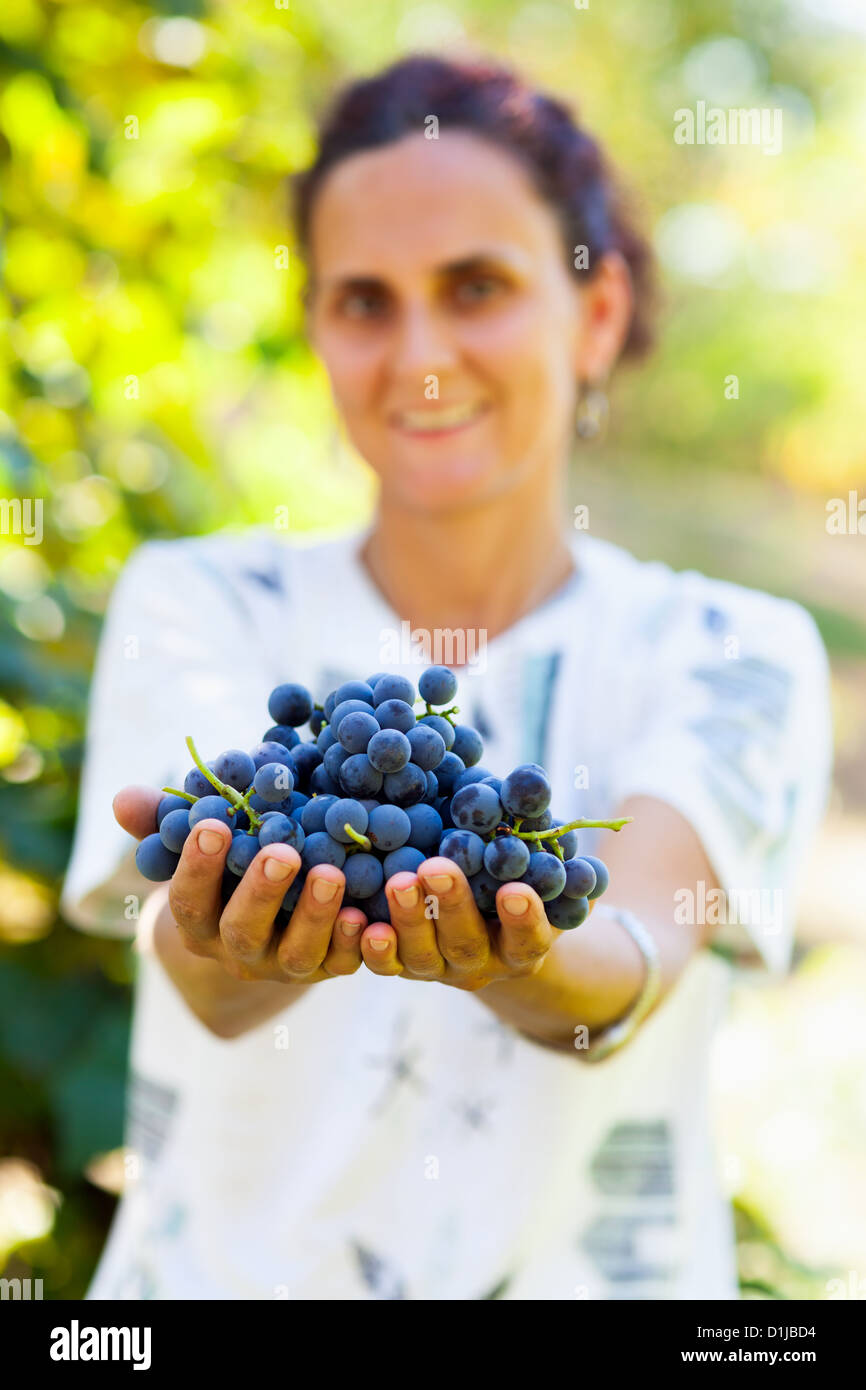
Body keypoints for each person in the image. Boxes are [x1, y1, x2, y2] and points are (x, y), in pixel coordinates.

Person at [61, 54, 832, 1301]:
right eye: (364, 301)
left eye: (475, 287)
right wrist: (233, 940)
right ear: (315, 329)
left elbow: (622, 973)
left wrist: (516, 955)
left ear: (592, 314)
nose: (419, 356)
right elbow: (202, 961)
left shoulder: (729, 648)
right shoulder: (198, 601)